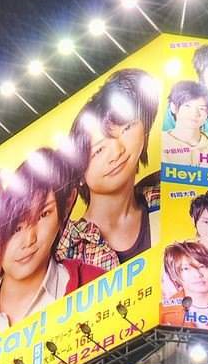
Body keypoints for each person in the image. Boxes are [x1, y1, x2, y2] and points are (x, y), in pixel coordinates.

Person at [0, 151, 102, 360]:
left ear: (65, 209)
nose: (29, 240)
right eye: (16, 228)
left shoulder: (98, 286)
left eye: (44, 215)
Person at [55, 69, 159, 268]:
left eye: (126, 129)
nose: (117, 152)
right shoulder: (65, 250)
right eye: (99, 150)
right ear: (79, 173)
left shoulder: (170, 198)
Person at [161, 240, 208, 316]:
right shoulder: (163, 313)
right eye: (186, 268)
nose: (198, 274)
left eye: (202, 266)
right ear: (173, 275)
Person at [162, 80, 208, 159]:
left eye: (202, 108)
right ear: (173, 107)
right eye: (187, 106)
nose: (194, 114)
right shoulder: (160, 144)